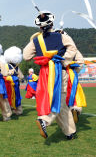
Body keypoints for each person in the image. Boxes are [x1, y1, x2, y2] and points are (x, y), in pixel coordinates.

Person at [23, 11, 77, 140]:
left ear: (40, 26)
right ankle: (45, 120)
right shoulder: (61, 36)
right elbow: (72, 49)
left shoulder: (36, 40)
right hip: (59, 70)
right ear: (52, 22)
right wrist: (63, 59)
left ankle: (69, 132)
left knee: (60, 103)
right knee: (59, 99)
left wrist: (35, 43)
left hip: (44, 73)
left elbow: (26, 56)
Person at [4, 46, 24, 116]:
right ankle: (19, 110)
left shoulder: (5, 66)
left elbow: (4, 74)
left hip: (8, 84)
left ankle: (9, 110)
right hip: (15, 84)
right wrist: (17, 77)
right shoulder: (17, 67)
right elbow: (21, 76)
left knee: (8, 96)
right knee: (17, 96)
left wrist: (8, 73)